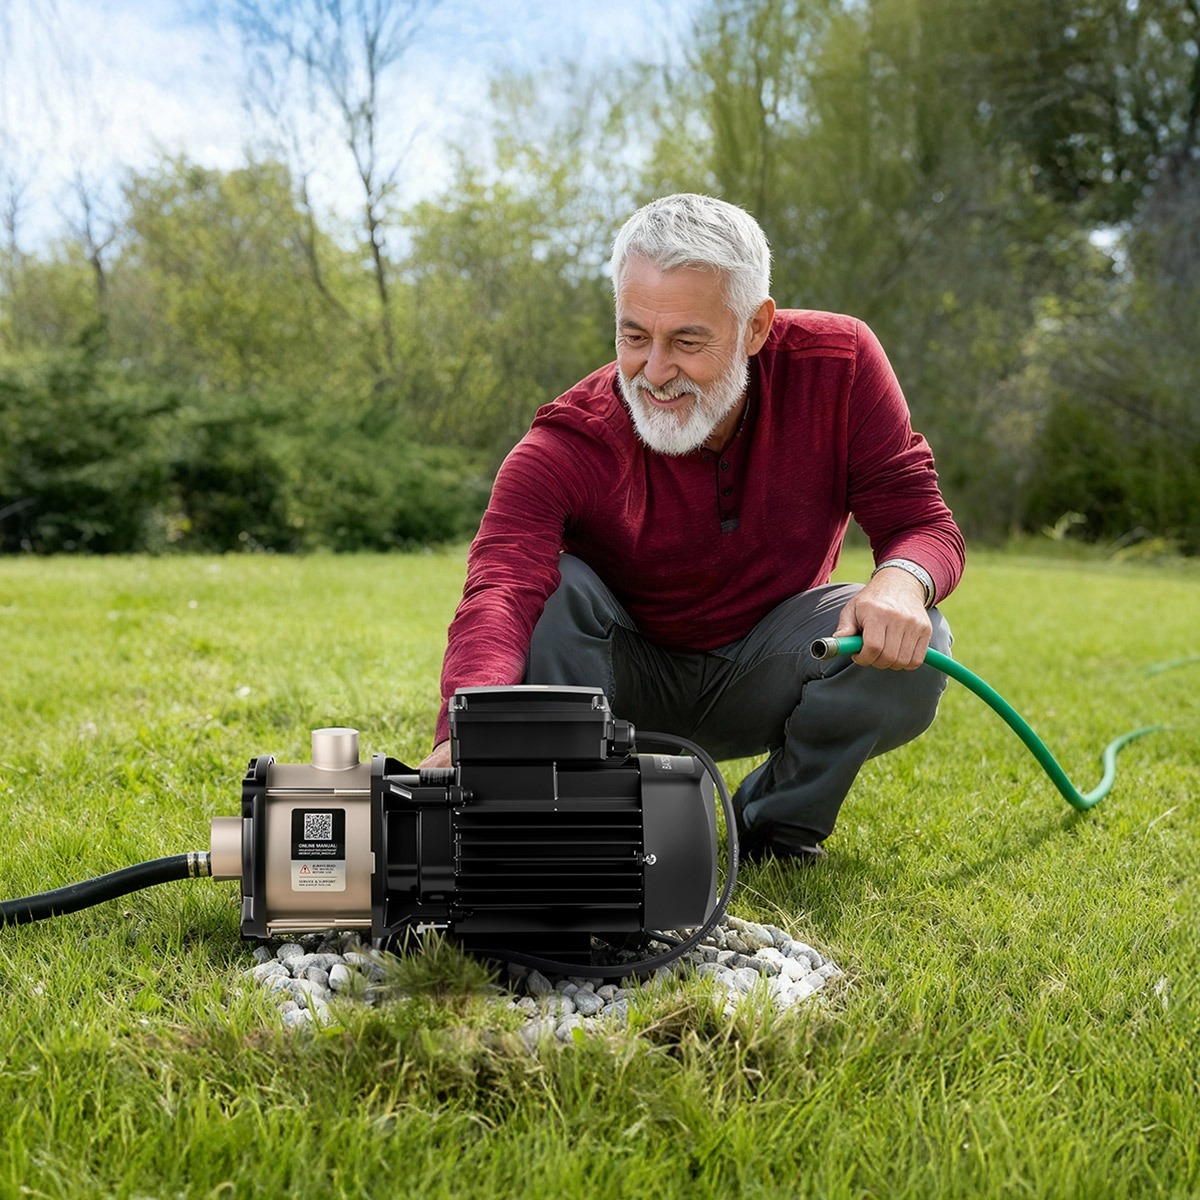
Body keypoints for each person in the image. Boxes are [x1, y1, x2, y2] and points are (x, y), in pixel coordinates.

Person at [420, 193, 965, 863]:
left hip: (771, 668)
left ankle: (774, 829)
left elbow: (921, 521)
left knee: (920, 630)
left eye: (687, 341)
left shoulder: (839, 365)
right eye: (634, 337)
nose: (655, 372)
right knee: (551, 587)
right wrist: (461, 735)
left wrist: (902, 581)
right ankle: (574, 818)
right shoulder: (566, 444)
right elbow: (500, 590)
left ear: (756, 327)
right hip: (614, 684)